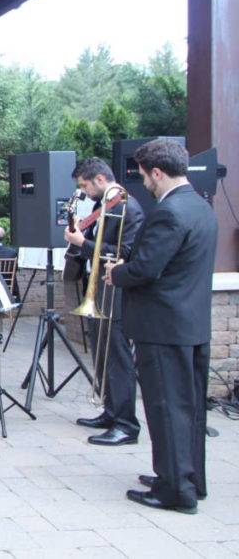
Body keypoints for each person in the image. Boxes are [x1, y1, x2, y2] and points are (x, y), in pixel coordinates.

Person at [104, 139, 217, 514]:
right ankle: (187, 478)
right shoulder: (201, 205)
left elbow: (145, 269)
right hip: (191, 323)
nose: (142, 182)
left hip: (163, 327)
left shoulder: (170, 212)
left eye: (142, 174)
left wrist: (115, 272)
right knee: (190, 408)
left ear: (157, 172)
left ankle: (174, 492)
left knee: (166, 407)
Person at [65, 157, 145, 447]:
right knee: (103, 356)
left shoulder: (128, 207)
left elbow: (126, 252)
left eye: (85, 185)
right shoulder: (105, 206)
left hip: (116, 292)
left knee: (118, 359)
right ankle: (111, 411)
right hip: (98, 288)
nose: (84, 191)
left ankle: (126, 424)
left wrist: (81, 244)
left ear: (100, 179)